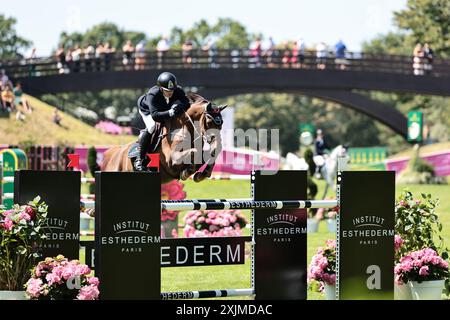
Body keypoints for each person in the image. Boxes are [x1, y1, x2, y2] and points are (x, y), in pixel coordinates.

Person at [134, 72, 190, 171]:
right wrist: (170, 112)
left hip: (164, 109)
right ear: (160, 88)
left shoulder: (177, 90)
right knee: (152, 127)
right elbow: (155, 116)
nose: (170, 93)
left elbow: (186, 102)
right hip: (147, 110)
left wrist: (178, 107)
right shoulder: (153, 94)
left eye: (172, 90)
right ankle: (139, 159)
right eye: (167, 91)